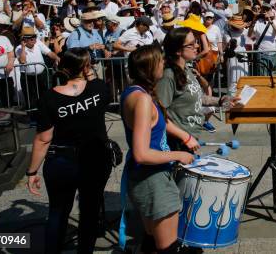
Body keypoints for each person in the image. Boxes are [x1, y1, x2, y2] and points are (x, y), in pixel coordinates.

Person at [26, 48, 112, 254]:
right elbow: (99, 95)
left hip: (61, 161)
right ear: (85, 67)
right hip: (95, 158)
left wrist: (32, 172)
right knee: (89, 212)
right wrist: (89, 72)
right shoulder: (99, 88)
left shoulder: (49, 97)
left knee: (57, 212)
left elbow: (43, 138)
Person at [120, 45, 198, 253]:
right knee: (167, 248)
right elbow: (142, 153)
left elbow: (158, 121)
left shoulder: (133, 92)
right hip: (153, 180)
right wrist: (179, 154)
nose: (164, 63)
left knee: (151, 240)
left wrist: (184, 135)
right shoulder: (143, 100)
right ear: (150, 67)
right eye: (160, 61)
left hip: (144, 178)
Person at [157, 27, 237, 141]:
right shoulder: (168, 76)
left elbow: (196, 97)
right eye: (191, 44)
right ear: (178, 50)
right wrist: (185, 138)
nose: (197, 46)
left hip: (191, 137)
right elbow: (158, 115)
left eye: (196, 42)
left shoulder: (186, 69)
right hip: (177, 141)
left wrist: (220, 100)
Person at [16, 27, 60, 112]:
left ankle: (47, 115)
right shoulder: (19, 48)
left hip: (42, 75)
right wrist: (23, 48)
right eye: (30, 37)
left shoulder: (38, 43)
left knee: (46, 95)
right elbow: (22, 61)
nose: (33, 39)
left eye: (34, 36)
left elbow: (49, 53)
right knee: (31, 99)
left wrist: (57, 58)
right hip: (28, 77)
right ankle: (33, 120)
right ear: (24, 39)